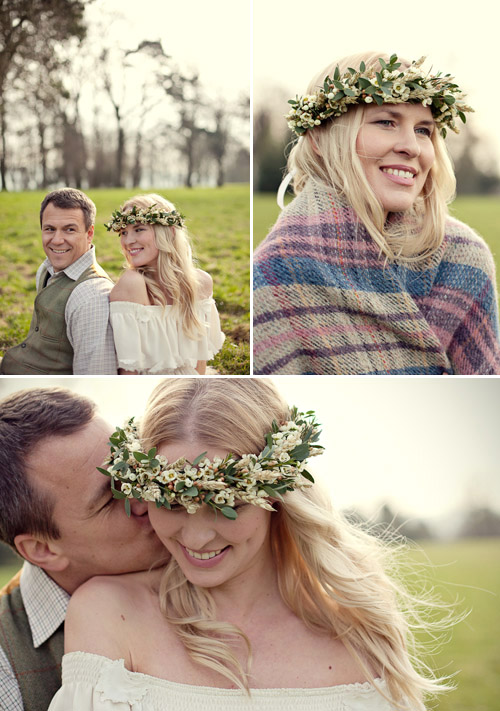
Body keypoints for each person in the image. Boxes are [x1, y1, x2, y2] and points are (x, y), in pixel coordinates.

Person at [49, 378, 452, 710]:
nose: (196, 537)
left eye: (229, 505)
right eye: (171, 502)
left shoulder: (359, 630)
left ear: (278, 492)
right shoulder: (109, 612)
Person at [253, 53, 500, 375]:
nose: (412, 146)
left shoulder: (463, 259)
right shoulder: (276, 274)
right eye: (386, 122)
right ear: (319, 139)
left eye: (424, 130)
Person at [0, 387, 168, 711]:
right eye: (110, 497)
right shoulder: (7, 675)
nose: (147, 497)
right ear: (41, 549)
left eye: (133, 470)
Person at [0, 188, 117, 375]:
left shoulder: (91, 296)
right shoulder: (46, 269)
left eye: (69, 229)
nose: (57, 240)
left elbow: (95, 374)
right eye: (49, 229)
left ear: (89, 234)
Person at [105, 193, 225, 374]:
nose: (128, 241)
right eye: (123, 232)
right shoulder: (133, 284)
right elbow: (128, 372)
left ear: (168, 232)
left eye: (139, 229)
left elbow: (200, 365)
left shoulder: (200, 283)